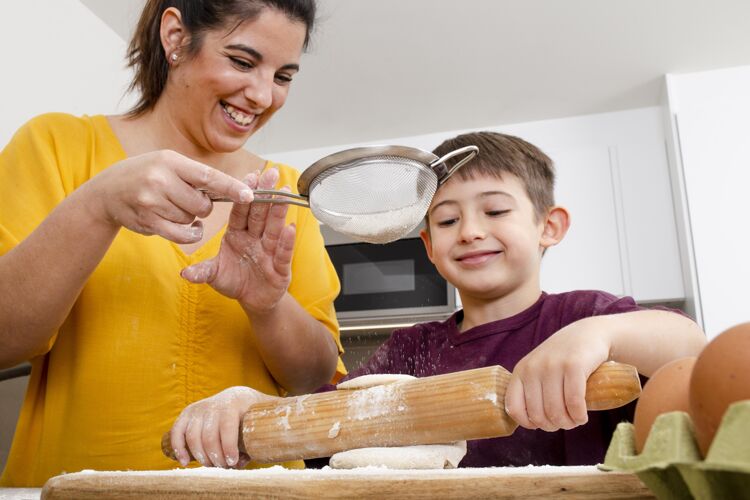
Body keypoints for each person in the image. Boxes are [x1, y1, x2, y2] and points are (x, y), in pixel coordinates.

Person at [166, 130, 706, 469]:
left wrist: (598, 335)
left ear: (550, 226)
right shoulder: (410, 353)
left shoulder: (583, 316)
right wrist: (251, 408)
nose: (470, 231)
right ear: (427, 243)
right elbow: (325, 422)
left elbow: (689, 348)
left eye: (495, 212)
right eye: (447, 219)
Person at [0, 0, 346, 487]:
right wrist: (97, 206)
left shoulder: (283, 191)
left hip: (259, 493)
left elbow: (313, 376)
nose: (263, 94)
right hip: (83, 490)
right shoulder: (57, 147)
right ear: (176, 37)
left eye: (284, 76)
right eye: (243, 62)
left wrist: (267, 305)